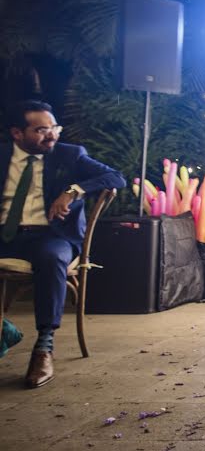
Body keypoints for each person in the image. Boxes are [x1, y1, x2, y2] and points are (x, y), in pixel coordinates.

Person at [0, 100, 125, 388]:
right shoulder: (3, 156)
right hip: (7, 235)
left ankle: (44, 346)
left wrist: (73, 190)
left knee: (51, 259)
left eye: (54, 127)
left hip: (51, 236)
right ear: (18, 133)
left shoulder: (70, 156)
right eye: (41, 130)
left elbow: (115, 176)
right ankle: (5, 329)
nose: (52, 135)